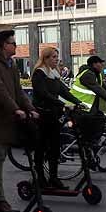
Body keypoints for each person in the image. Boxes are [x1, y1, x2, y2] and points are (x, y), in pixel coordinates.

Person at [0, 30, 38, 212]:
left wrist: (30, 108)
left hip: (8, 118)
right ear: (4, 45)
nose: (16, 46)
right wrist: (16, 109)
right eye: (13, 43)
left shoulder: (11, 64)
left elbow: (18, 90)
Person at [31, 47, 84, 189]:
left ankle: (53, 177)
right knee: (41, 147)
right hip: (42, 115)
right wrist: (63, 104)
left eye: (57, 57)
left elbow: (64, 91)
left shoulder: (54, 73)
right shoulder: (39, 73)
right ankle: (40, 178)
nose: (56, 59)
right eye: (54, 57)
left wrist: (78, 102)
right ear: (46, 58)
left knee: (54, 148)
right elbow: (43, 94)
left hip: (53, 115)